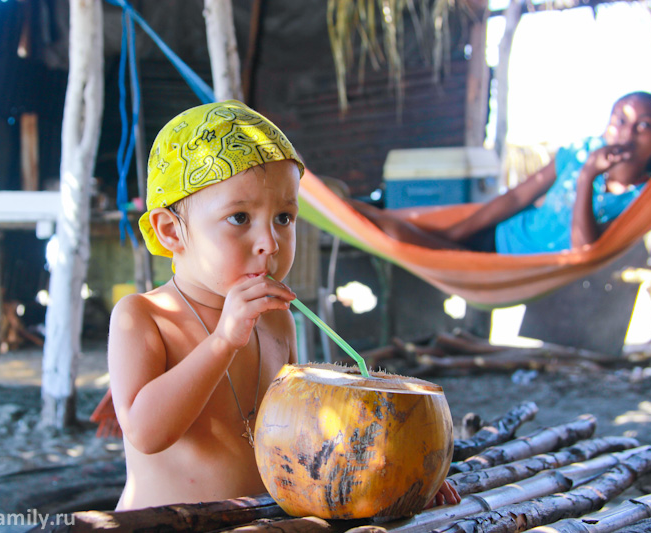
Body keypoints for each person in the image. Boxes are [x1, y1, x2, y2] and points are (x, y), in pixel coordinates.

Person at [107, 100, 461, 511]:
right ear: (171, 231)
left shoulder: (276, 323)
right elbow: (146, 434)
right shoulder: (142, 317)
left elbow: (302, 432)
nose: (270, 243)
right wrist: (223, 340)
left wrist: (403, 472)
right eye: (240, 218)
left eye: (284, 218)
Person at [350, 91, 651, 254]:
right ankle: (337, 205)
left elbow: (583, 251)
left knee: (397, 234)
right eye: (619, 120)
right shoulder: (581, 150)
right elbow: (516, 198)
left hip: (505, 265)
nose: (627, 133)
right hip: (498, 234)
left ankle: (345, 206)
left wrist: (587, 177)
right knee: (407, 221)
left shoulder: (644, 198)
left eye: (644, 126)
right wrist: (456, 232)